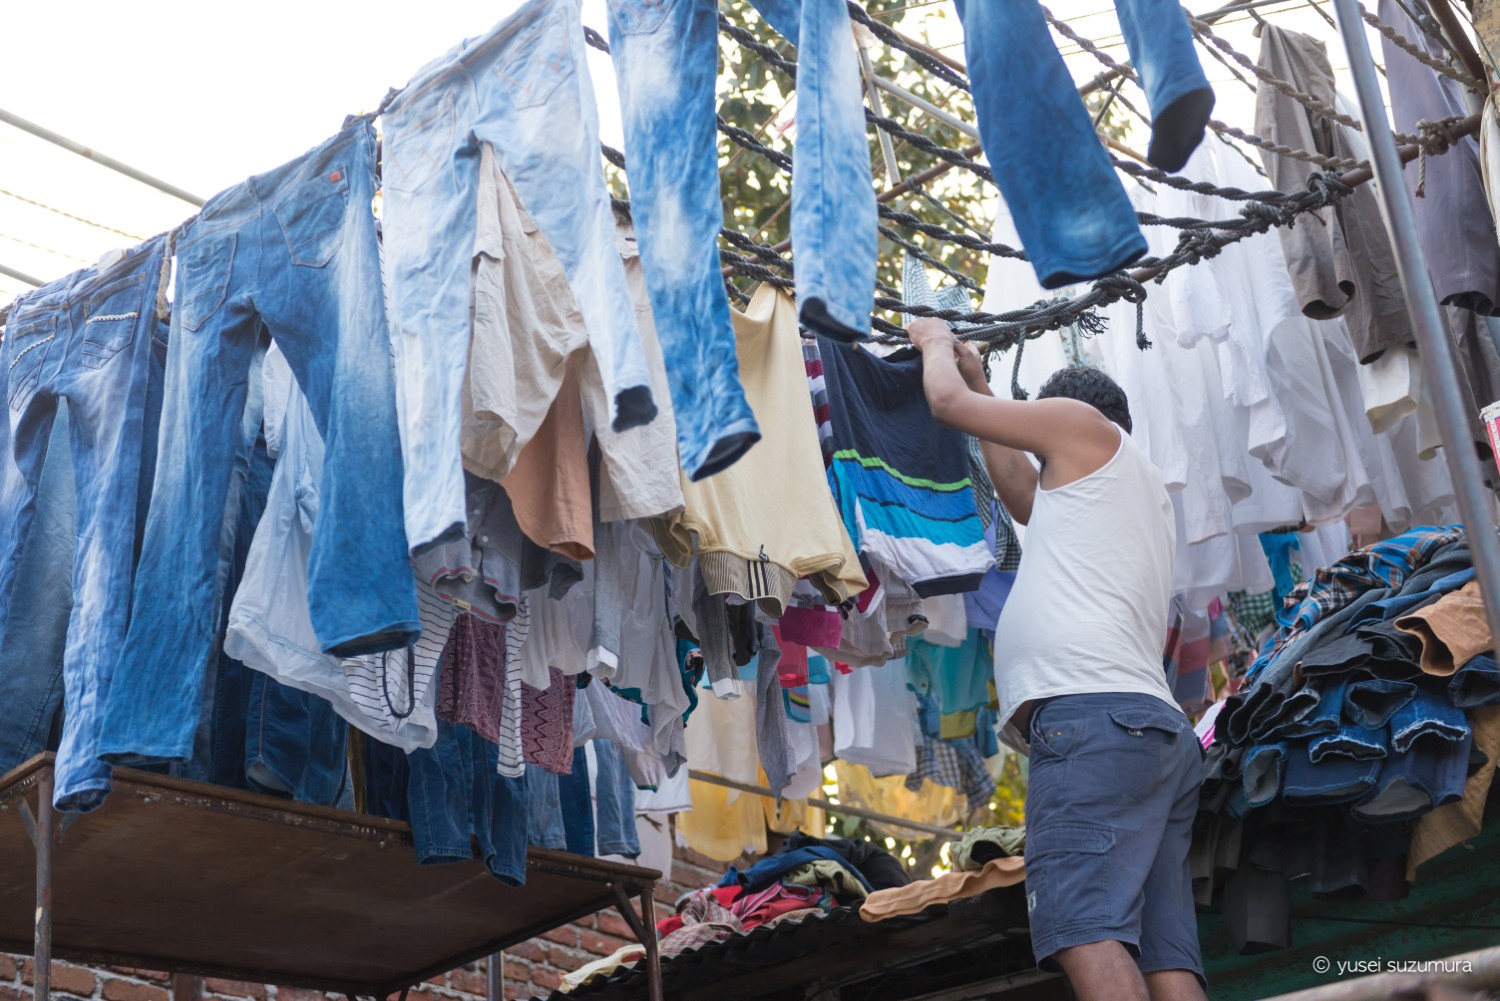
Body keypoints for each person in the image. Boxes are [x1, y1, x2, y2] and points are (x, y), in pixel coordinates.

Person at [907, 316, 1207, 1001]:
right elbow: (1020, 491)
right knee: (1164, 952)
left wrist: (933, 342)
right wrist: (981, 377)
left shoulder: (1079, 424)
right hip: (1147, 733)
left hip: (1093, 723)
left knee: (1081, 927)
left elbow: (945, 404)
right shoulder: (1125, 491)